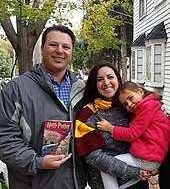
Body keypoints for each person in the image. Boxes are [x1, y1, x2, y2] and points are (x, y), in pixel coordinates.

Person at [0, 25, 87, 189]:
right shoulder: (16, 89)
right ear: (42, 48)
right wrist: (37, 162)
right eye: (53, 45)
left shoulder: (81, 89)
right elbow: (4, 138)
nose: (60, 50)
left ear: (71, 52)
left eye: (66, 47)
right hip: (33, 182)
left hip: (75, 182)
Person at [75, 61, 150, 189]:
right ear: (94, 84)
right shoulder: (87, 114)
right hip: (107, 184)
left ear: (118, 80)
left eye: (110, 77)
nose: (106, 83)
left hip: (139, 182)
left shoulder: (130, 106)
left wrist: (153, 165)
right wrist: (134, 172)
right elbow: (93, 157)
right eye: (100, 79)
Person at [97, 81, 170, 188]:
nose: (129, 104)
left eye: (130, 98)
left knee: (107, 169)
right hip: (152, 157)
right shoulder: (150, 105)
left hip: (147, 159)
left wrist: (110, 128)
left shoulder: (146, 107)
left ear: (140, 92)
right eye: (125, 104)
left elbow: (132, 133)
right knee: (133, 177)